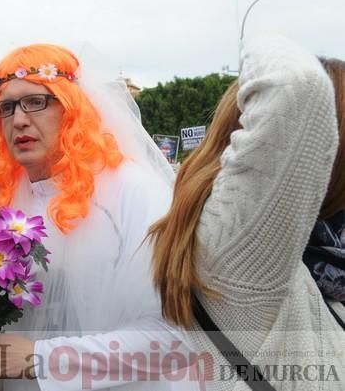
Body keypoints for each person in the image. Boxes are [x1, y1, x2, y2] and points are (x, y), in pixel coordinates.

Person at [0, 44, 194, 390]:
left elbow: (176, 336)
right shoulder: (6, 201)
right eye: (5, 107)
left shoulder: (135, 191)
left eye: (36, 101)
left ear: (71, 108)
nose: (18, 119)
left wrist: (42, 358)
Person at [148, 34, 345, 389]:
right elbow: (294, 84)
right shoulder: (246, 252)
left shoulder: (328, 258)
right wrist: (256, 36)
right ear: (322, 149)